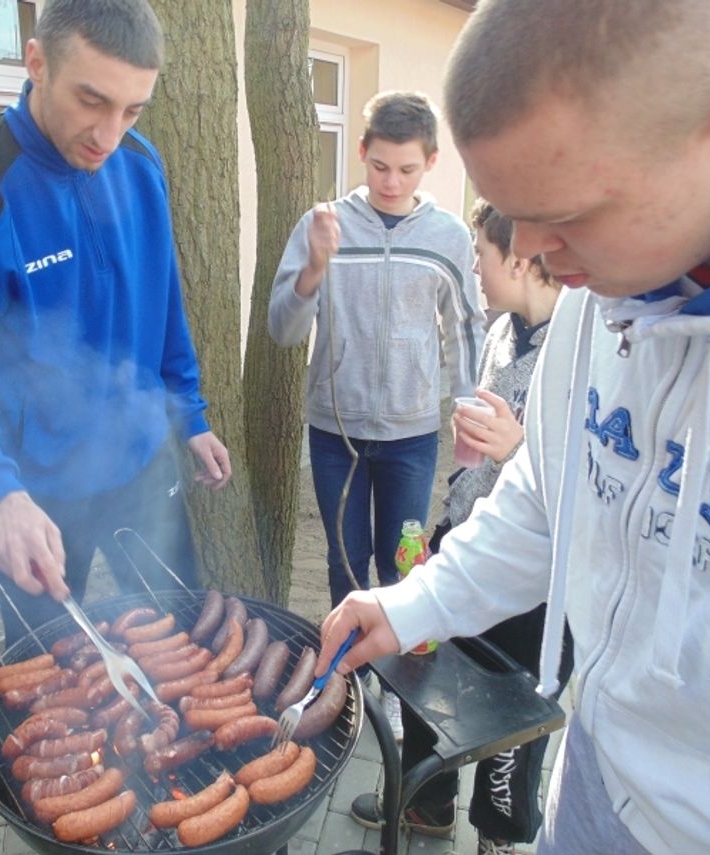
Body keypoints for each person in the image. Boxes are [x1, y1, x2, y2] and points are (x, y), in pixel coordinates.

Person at [317, 1, 710, 853]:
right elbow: (547, 498)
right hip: (589, 786)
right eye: (511, 213)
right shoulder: (601, 289)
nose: (535, 255)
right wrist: (413, 602)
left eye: (568, 213)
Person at [0, 0, 230, 647]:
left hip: (143, 463)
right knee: (46, 670)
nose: (108, 134)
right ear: (37, 63)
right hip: (36, 494)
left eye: (132, 110)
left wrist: (189, 413)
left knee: (183, 641)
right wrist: (1, 497)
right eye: (91, 100)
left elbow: (163, 305)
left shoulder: (140, 166)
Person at [350, 201, 575, 854]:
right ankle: (428, 804)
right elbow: (481, 455)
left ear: (521, 256)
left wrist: (517, 448)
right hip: (471, 545)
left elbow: (580, 490)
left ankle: (497, 839)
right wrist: (450, 514)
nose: (473, 266)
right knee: (429, 677)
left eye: (481, 253)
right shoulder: (504, 330)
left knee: (508, 727)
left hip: (535, 593)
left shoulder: (575, 351)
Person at [268, 90, 485, 741]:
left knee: (403, 567)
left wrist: (467, 403)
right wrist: (313, 268)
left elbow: (467, 327)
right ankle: (346, 683)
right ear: (360, 153)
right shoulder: (324, 224)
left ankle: (396, 690)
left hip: (412, 436)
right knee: (343, 563)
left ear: (431, 164)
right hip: (335, 436)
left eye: (407, 169)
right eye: (380, 165)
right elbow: (282, 327)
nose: (391, 182)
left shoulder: (447, 236)